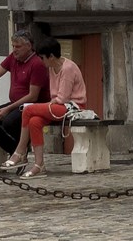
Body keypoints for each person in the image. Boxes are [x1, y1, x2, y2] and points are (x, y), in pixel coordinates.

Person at [16, 30, 91, 177]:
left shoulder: (68, 68)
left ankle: (20, 151)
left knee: (28, 110)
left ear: (51, 57)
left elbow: (62, 98)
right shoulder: (51, 68)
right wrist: (50, 104)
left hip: (73, 107)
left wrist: (48, 104)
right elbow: (55, 95)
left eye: (43, 58)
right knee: (34, 122)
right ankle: (39, 164)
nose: (41, 61)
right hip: (58, 105)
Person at [0, 24, 49, 167]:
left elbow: (33, 96)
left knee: (8, 121)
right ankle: (16, 151)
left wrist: (7, 109)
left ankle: (19, 153)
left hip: (31, 105)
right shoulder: (13, 59)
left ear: (28, 47)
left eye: (18, 47)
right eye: (13, 46)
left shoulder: (36, 64)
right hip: (15, 104)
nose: (14, 50)